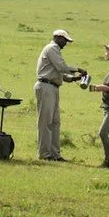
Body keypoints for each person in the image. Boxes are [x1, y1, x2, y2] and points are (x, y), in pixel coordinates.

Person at [35, 28, 86, 161]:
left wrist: (74, 78)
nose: (65, 43)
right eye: (65, 40)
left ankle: (54, 154)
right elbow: (61, 67)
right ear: (57, 37)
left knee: (55, 122)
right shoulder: (52, 48)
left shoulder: (55, 50)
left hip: (53, 87)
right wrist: (77, 69)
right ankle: (44, 154)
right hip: (46, 86)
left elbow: (60, 73)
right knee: (45, 122)